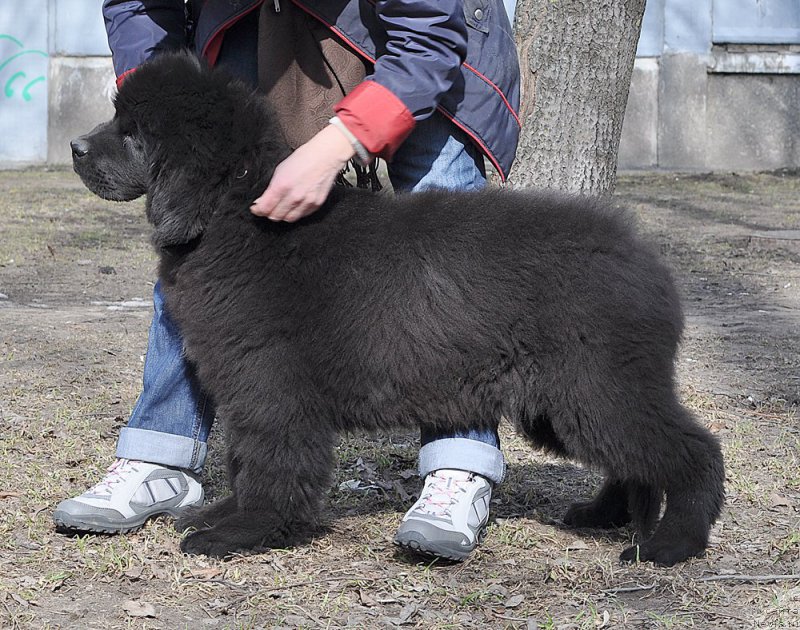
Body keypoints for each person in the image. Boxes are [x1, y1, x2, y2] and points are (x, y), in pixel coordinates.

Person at [54, 0, 520, 561]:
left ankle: (457, 464)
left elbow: (427, 31)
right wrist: (152, 103)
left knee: (442, 232)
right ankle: (162, 450)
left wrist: (335, 146)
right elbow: (138, 7)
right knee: (202, 235)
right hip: (246, 18)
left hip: (416, 35)